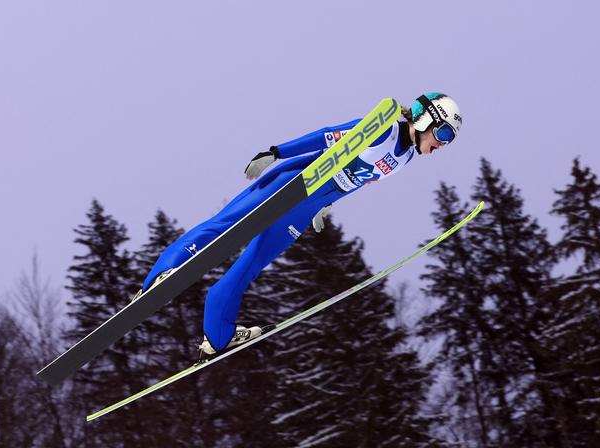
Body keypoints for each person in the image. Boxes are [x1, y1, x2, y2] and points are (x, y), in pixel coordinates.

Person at [133, 92, 463, 359]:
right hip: (295, 182)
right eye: (443, 133)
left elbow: (360, 179)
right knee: (227, 225)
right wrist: (276, 152)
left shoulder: (405, 157)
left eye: (449, 140)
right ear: (424, 120)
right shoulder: (384, 128)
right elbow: (326, 137)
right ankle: (164, 275)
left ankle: (217, 335)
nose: (442, 145)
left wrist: (327, 204)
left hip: (308, 205)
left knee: (253, 261)